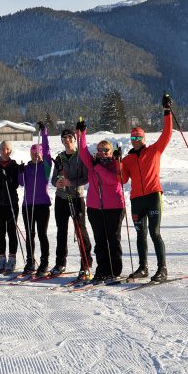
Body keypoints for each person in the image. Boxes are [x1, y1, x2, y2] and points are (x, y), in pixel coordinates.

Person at [120, 93, 173, 282]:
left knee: (154, 233)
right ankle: (143, 268)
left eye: (138, 136)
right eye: (133, 137)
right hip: (136, 200)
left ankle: (162, 269)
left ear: (144, 138)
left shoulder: (154, 150)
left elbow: (167, 134)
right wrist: (118, 163)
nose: (135, 139)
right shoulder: (127, 159)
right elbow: (123, 180)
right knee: (140, 233)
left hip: (152, 196)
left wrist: (167, 112)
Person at [77, 120, 124, 282]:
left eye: (106, 150)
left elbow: (115, 180)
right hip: (95, 208)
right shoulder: (92, 163)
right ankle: (102, 269)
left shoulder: (116, 163)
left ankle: (115, 270)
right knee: (100, 241)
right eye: (100, 150)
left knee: (113, 239)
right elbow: (82, 151)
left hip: (115, 208)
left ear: (111, 152)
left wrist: (98, 168)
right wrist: (81, 133)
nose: (103, 153)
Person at [51, 128, 93, 280]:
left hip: (76, 197)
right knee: (61, 232)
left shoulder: (81, 156)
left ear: (74, 139)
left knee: (80, 231)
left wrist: (71, 182)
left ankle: (86, 264)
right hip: (61, 198)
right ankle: (60, 263)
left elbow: (86, 178)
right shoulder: (60, 157)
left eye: (70, 138)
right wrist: (58, 183)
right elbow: (52, 179)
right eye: (64, 138)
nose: (67, 140)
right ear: (62, 141)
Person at [19, 121, 52, 276]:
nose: (36, 154)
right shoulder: (27, 168)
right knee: (30, 233)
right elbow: (20, 183)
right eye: (33, 152)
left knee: (41, 233)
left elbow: (47, 151)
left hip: (42, 205)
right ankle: (30, 261)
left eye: (38, 152)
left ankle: (44, 262)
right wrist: (20, 171)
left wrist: (44, 133)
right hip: (27, 205)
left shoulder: (45, 167)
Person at [0, 140, 19, 273]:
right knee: (0, 233)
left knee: (11, 232)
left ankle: (12, 258)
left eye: (7, 149)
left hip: (11, 203)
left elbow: (16, 184)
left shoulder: (14, 165)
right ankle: (2, 258)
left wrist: (10, 180)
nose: (4, 151)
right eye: (2, 148)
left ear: (10, 150)